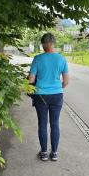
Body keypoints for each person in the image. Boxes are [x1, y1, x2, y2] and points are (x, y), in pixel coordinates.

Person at [29, 32, 69, 161]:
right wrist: (57, 88)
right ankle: (55, 153)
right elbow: (66, 81)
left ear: (43, 44)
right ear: (53, 43)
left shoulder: (38, 59)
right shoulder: (62, 59)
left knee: (42, 124)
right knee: (55, 124)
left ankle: (44, 153)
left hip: (41, 95)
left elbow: (31, 80)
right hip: (57, 95)